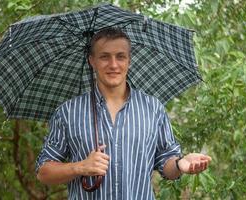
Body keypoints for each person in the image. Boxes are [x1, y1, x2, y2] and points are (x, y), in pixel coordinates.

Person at [35, 27, 211, 199]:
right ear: (92, 60)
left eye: (120, 56)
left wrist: (180, 164)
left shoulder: (153, 108)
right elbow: (43, 172)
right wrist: (80, 167)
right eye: (104, 57)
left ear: (129, 60)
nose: (113, 65)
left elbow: (167, 165)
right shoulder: (68, 112)